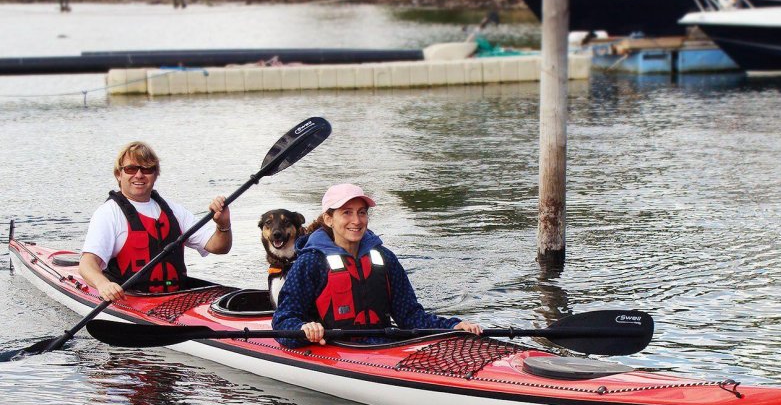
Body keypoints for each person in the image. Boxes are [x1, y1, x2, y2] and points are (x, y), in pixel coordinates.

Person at [272, 183, 482, 347]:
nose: (357, 221)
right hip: (335, 350)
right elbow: (283, 321)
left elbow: (410, 316)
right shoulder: (310, 262)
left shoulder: (385, 258)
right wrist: (304, 329)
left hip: (383, 348)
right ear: (329, 219)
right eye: (347, 212)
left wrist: (452, 326)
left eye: (362, 212)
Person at [79, 141, 233, 301]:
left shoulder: (175, 211)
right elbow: (87, 264)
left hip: (175, 300)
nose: (139, 175)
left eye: (147, 169)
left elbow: (219, 247)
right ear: (119, 174)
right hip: (128, 300)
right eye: (131, 169)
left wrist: (223, 225)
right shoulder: (108, 213)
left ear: (155, 174)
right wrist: (103, 284)